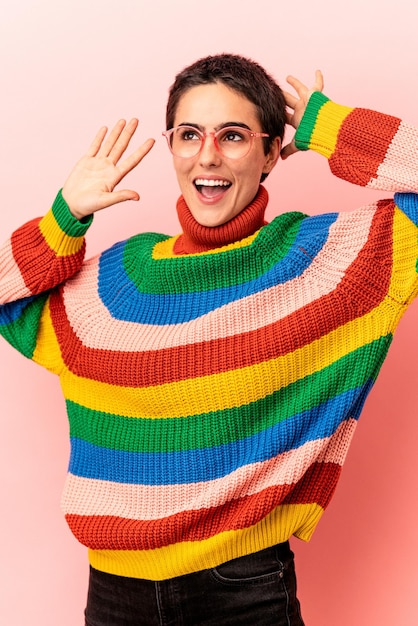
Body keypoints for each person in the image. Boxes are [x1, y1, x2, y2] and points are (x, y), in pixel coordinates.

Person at [0, 53, 417, 625]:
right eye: (189, 134)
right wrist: (64, 217)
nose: (208, 156)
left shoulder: (322, 265)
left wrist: (331, 127)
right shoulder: (116, 282)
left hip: (241, 590)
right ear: (171, 147)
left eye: (234, 136)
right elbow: (9, 297)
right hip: (114, 595)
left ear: (273, 151)